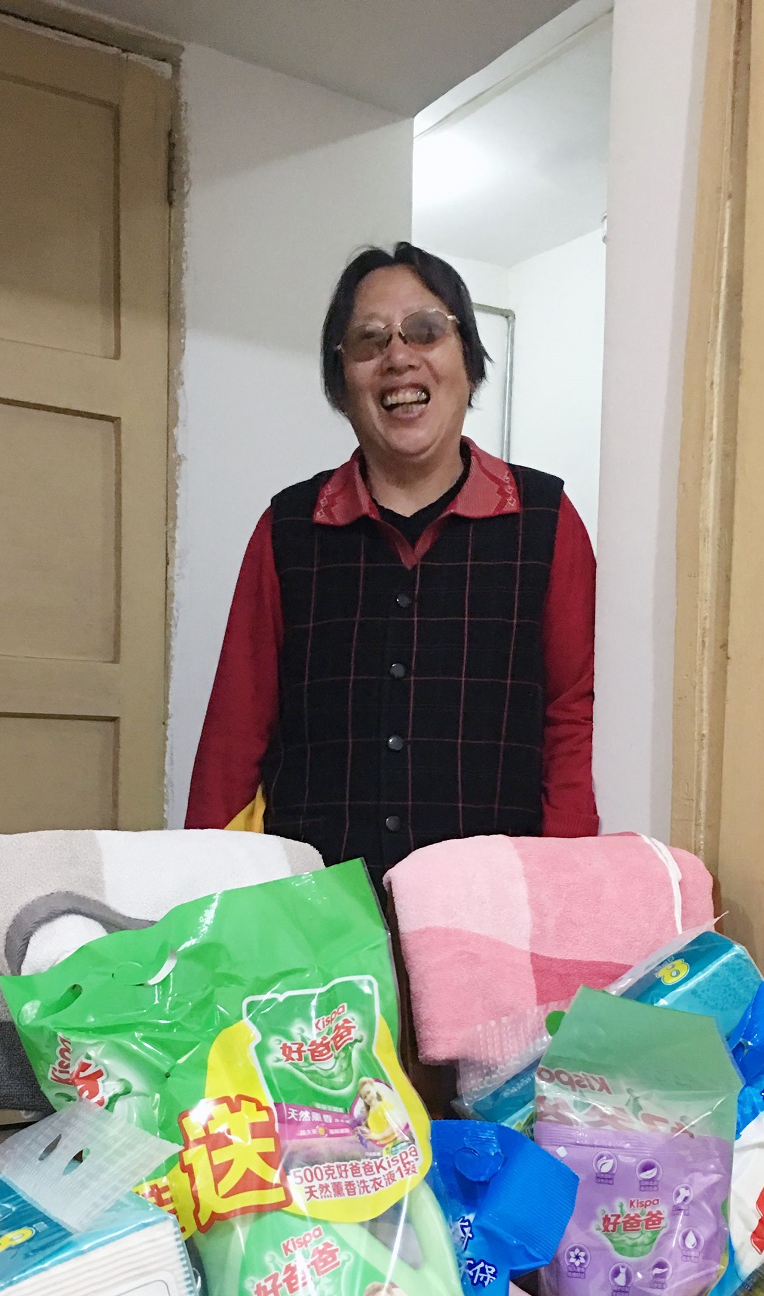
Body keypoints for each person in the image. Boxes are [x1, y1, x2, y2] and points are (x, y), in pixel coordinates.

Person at [185, 242, 598, 883]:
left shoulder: (546, 521)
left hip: (493, 901)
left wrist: (565, 885)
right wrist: (207, 891)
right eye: (369, 340)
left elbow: (573, 722)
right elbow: (235, 735)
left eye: (426, 331)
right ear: (342, 381)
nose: (398, 357)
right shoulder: (288, 529)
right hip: (318, 910)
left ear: (469, 361)